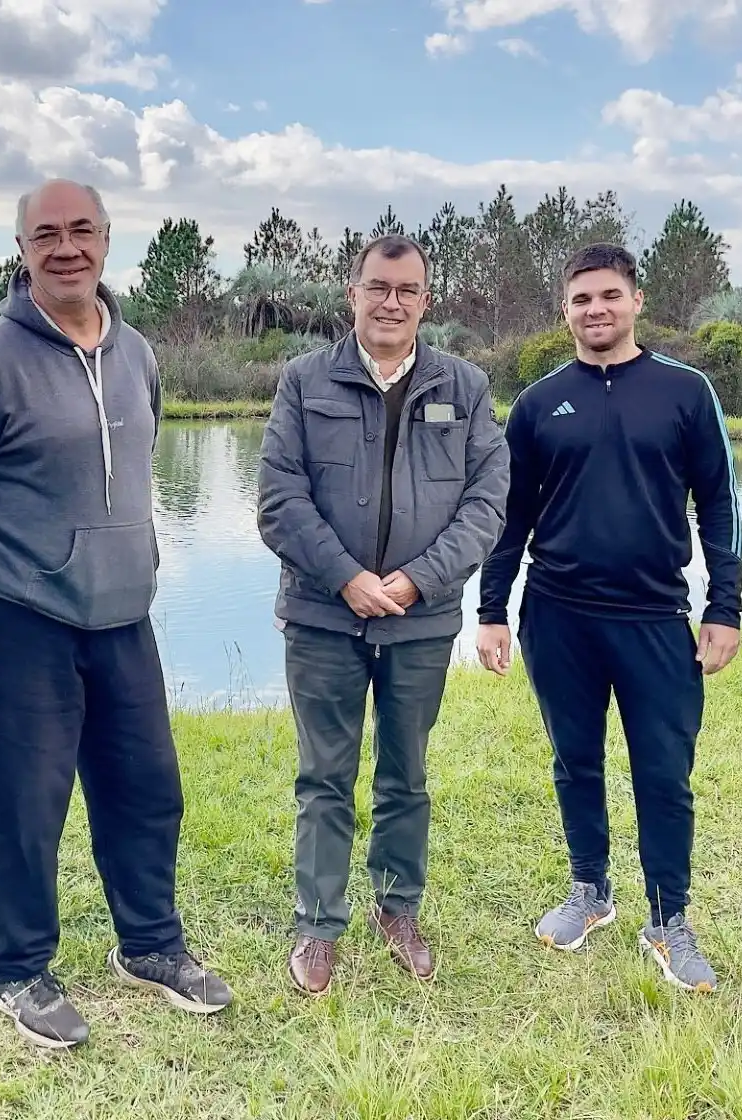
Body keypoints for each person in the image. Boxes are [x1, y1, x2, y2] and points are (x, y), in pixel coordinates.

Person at [0, 179, 231, 1050]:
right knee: (23, 804)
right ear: (22, 250)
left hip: (124, 615)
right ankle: (18, 969)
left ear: (107, 238)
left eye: (80, 229)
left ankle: (150, 946)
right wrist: (7, 568)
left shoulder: (138, 355)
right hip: (20, 623)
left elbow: (139, 455)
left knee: (146, 789)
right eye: (44, 234)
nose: (65, 247)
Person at [476, 243, 742, 993]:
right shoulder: (536, 403)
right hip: (557, 615)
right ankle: (589, 892)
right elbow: (509, 517)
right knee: (575, 761)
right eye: (580, 300)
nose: (595, 310)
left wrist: (723, 607)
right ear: (564, 311)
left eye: (608, 296)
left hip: (654, 616)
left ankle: (668, 919)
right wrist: (490, 610)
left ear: (635, 301)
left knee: (664, 774)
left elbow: (720, 503)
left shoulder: (685, 391)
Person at [257, 234, 509, 995]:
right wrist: (345, 579)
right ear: (352, 293)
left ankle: (397, 908)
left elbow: (486, 502)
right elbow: (278, 499)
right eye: (377, 287)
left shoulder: (464, 387)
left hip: (420, 620)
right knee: (323, 777)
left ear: (425, 299)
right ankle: (317, 925)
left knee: (406, 773)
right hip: (322, 616)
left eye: (406, 289)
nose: (390, 302)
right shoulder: (303, 382)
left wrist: (413, 581)